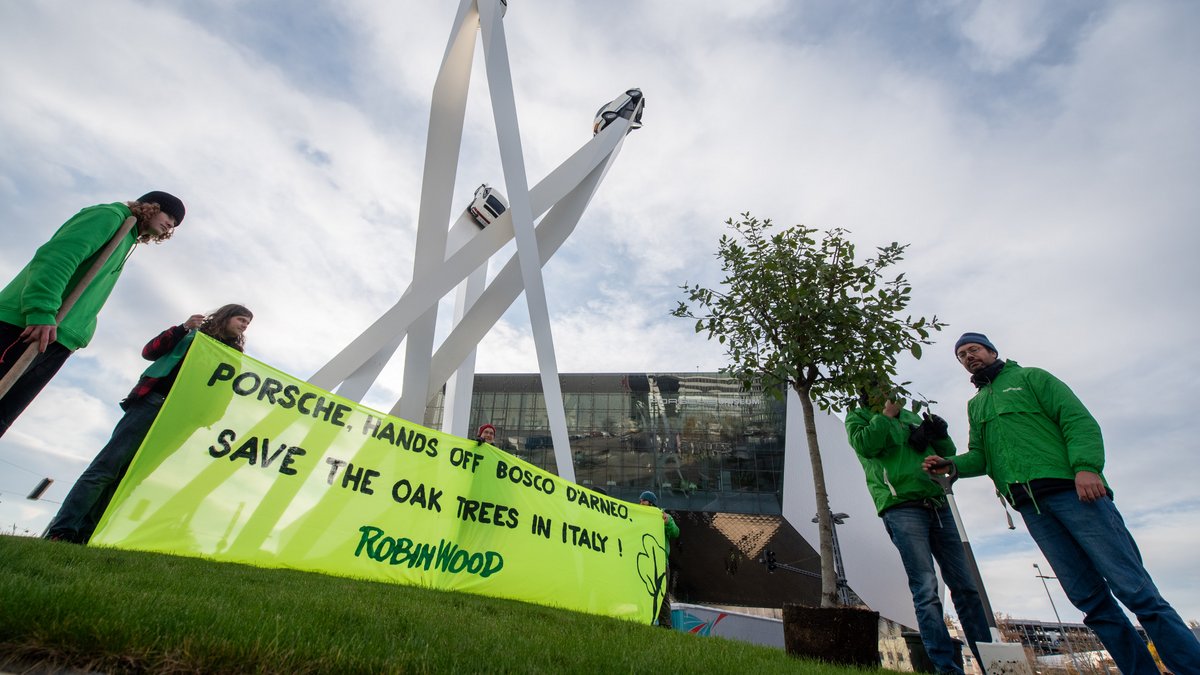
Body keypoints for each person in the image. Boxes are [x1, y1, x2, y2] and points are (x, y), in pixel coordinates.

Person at [925, 332, 1200, 675]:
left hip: (1076, 493)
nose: (969, 357)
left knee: (1134, 589)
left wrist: (1086, 467)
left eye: (974, 349)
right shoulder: (976, 405)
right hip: (1033, 509)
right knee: (1090, 601)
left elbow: (1076, 420)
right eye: (962, 355)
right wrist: (950, 465)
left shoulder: (1032, 378)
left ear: (992, 351)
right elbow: (981, 455)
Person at [45, 304, 252, 544]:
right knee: (107, 467)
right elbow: (150, 351)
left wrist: (212, 415)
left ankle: (86, 535)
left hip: (181, 418)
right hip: (153, 403)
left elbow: (225, 388)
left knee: (130, 476)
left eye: (248, 323)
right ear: (226, 317)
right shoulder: (191, 333)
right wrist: (183, 328)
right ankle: (63, 530)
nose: (244, 326)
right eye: (241, 319)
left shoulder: (232, 355)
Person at [0, 191, 186, 438]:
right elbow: (57, 258)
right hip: (26, 325)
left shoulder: (128, 239)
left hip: (57, 337)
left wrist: (80, 333)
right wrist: (41, 311)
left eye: (175, 223)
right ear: (150, 206)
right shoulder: (109, 216)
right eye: (169, 215)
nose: (171, 224)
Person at [845, 388, 991, 675]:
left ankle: (989, 662)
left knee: (966, 587)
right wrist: (885, 417)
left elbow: (947, 456)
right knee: (925, 587)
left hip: (937, 502)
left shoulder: (911, 417)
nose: (881, 391)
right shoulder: (858, 417)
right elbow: (865, 446)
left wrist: (940, 434)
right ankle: (946, 668)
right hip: (901, 506)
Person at [639, 490, 680, 628]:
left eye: (643, 501)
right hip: (645, 561)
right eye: (640, 501)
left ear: (651, 503)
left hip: (661, 563)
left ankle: (665, 625)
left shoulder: (663, 517)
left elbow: (675, 532)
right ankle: (645, 621)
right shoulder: (639, 517)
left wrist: (667, 522)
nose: (640, 503)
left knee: (662, 594)